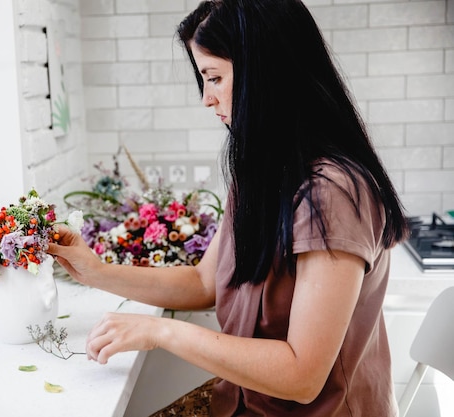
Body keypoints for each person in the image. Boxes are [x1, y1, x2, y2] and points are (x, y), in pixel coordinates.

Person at [48, 0, 409, 416]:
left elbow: (301, 376)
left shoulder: (333, 192)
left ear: (266, 71)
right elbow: (205, 281)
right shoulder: (264, 172)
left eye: (215, 77)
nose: (207, 98)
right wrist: (95, 272)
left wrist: (160, 331)